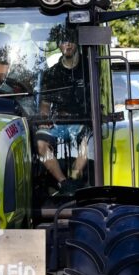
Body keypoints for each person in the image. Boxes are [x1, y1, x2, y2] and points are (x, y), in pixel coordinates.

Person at [35, 28, 90, 194]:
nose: (67, 44)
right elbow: (45, 104)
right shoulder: (51, 74)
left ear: (77, 43)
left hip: (85, 122)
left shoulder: (90, 69)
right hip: (59, 124)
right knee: (40, 143)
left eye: (70, 40)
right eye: (63, 41)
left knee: (87, 143)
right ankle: (64, 183)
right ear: (59, 45)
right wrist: (44, 119)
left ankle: (74, 178)